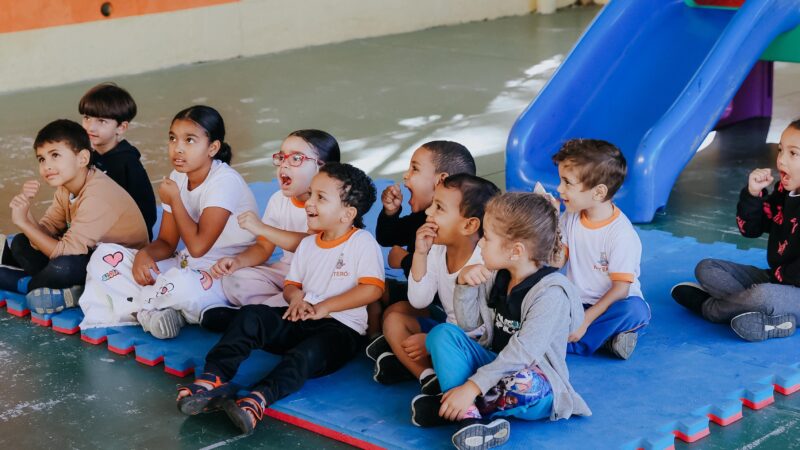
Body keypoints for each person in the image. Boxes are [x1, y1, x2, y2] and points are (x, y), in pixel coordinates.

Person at [175, 163, 383, 435]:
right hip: (300, 318)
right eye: (311, 194)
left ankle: (258, 399)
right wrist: (295, 298)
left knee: (304, 355)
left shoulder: (362, 242)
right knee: (252, 315)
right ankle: (213, 377)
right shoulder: (308, 244)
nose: (309, 202)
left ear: (348, 214)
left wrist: (324, 308)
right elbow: (291, 284)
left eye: (321, 197)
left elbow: (372, 290)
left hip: (340, 330)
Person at [415, 192, 591, 450]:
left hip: (536, 382)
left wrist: (471, 387)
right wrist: (464, 284)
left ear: (516, 251)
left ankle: (456, 405)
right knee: (442, 334)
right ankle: (467, 414)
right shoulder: (497, 275)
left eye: (487, 237)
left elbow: (523, 353)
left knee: (525, 383)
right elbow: (469, 325)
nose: (480, 244)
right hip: (493, 366)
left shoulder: (551, 294)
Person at [77, 105, 257, 339]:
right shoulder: (178, 177)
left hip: (222, 275)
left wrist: (175, 199)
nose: (178, 148)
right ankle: (156, 310)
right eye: (173, 138)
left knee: (180, 286)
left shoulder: (224, 182)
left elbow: (198, 246)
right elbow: (167, 242)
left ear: (212, 148)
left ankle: (139, 308)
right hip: (185, 264)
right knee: (104, 255)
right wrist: (144, 255)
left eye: (189, 140)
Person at [0, 119, 148, 313]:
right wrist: (26, 215)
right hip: (88, 255)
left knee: (65, 267)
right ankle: (65, 288)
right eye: (42, 159)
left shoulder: (98, 195)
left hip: (120, 268)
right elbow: (48, 230)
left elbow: (65, 253)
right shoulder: (66, 187)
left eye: (55, 155)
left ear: (83, 158)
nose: (46, 165)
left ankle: (28, 285)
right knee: (21, 242)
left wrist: (24, 223)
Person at [672, 120, 800, 341]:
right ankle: (765, 319)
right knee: (707, 267)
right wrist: (753, 194)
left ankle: (711, 309)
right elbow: (750, 229)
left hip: (788, 288)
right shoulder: (784, 190)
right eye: (780, 150)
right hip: (776, 280)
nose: (781, 160)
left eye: (793, 153)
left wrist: (770, 288)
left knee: (763, 295)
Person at [201, 129, 341, 332]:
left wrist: (262, 228)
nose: (284, 164)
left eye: (296, 158)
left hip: (319, 277)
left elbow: (313, 244)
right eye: (282, 157)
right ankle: (271, 313)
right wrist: (237, 262)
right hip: (287, 272)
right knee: (235, 280)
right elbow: (263, 247)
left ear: (323, 168)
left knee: (317, 296)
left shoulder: (330, 205)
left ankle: (251, 318)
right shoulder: (278, 200)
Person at [375, 174, 499, 396]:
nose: (429, 212)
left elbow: (483, 331)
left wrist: (430, 342)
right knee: (394, 318)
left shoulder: (486, 261)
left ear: (469, 225)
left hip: (476, 345)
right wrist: (420, 253)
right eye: (433, 204)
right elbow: (419, 300)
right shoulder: (438, 249)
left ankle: (427, 370)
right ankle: (428, 377)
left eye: (439, 208)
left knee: (430, 336)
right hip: (447, 329)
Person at [553, 139, 650, 359]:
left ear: (598, 192)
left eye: (567, 183)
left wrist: (585, 321)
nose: (559, 189)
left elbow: (620, 290)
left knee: (635, 311)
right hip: (576, 303)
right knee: (545, 296)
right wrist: (550, 223)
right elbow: (555, 264)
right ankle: (607, 341)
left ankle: (569, 344)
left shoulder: (621, 234)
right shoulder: (569, 217)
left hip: (614, 304)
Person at [368, 140, 476, 338]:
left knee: (394, 314)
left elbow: (437, 277)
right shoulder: (423, 217)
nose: (406, 175)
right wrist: (390, 213)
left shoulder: (456, 229)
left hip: (447, 309)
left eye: (415, 169)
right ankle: (375, 340)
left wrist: (404, 260)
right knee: (372, 288)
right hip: (421, 295)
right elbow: (387, 237)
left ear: (441, 180)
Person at [79, 82, 157, 239]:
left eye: (101, 121)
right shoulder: (89, 157)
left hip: (125, 240)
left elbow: (147, 213)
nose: (90, 127)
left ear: (121, 127)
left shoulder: (128, 163)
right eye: (87, 118)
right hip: (93, 230)